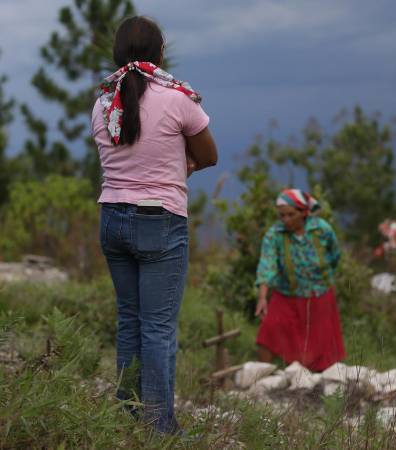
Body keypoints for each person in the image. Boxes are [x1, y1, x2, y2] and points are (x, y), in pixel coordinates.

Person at [90, 16, 217, 434]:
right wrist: (183, 164)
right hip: (158, 219)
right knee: (159, 328)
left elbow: (122, 155)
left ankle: (128, 417)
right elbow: (209, 154)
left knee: (129, 321)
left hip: (112, 217)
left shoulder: (103, 102)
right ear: (160, 53)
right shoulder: (178, 99)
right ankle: (160, 427)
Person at [255, 189, 346, 372]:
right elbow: (267, 265)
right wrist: (263, 297)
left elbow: (335, 255)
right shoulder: (275, 235)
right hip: (286, 294)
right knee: (269, 331)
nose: (286, 219)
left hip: (319, 294)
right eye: (282, 215)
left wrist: (324, 277)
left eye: (291, 214)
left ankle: (320, 384)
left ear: (304, 212)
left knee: (321, 345)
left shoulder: (321, 229)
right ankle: (263, 380)